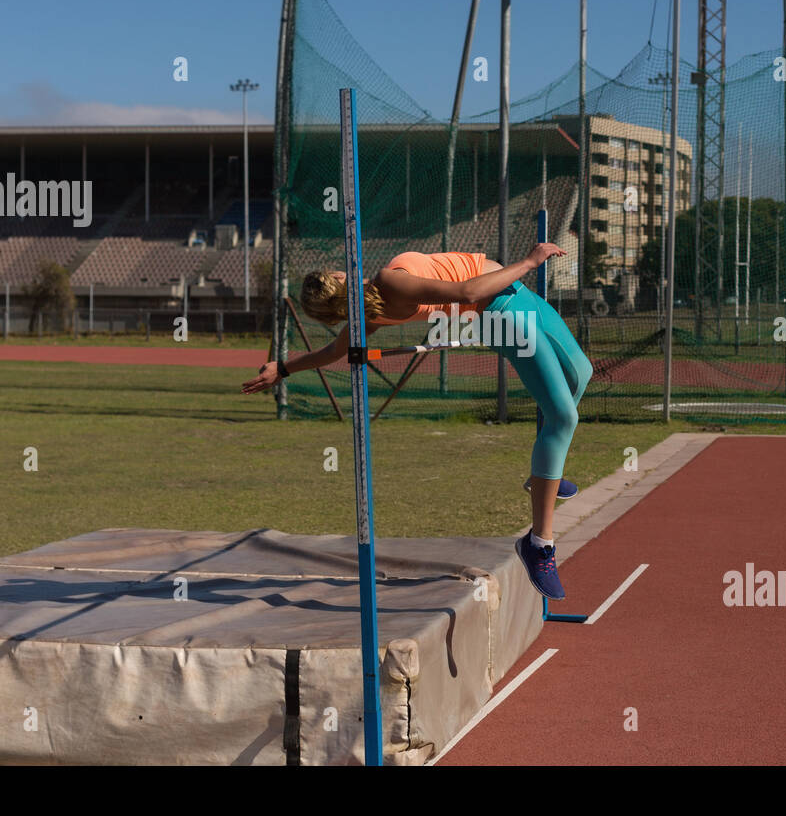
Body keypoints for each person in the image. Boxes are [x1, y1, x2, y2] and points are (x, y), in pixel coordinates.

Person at [240, 246, 592, 600]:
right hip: (499, 312)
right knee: (563, 416)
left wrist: (284, 368)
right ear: (338, 278)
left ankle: (545, 475)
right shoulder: (390, 284)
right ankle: (539, 543)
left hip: (517, 295)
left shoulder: (370, 311)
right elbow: (468, 292)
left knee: (580, 374)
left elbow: (335, 351)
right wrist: (530, 261)